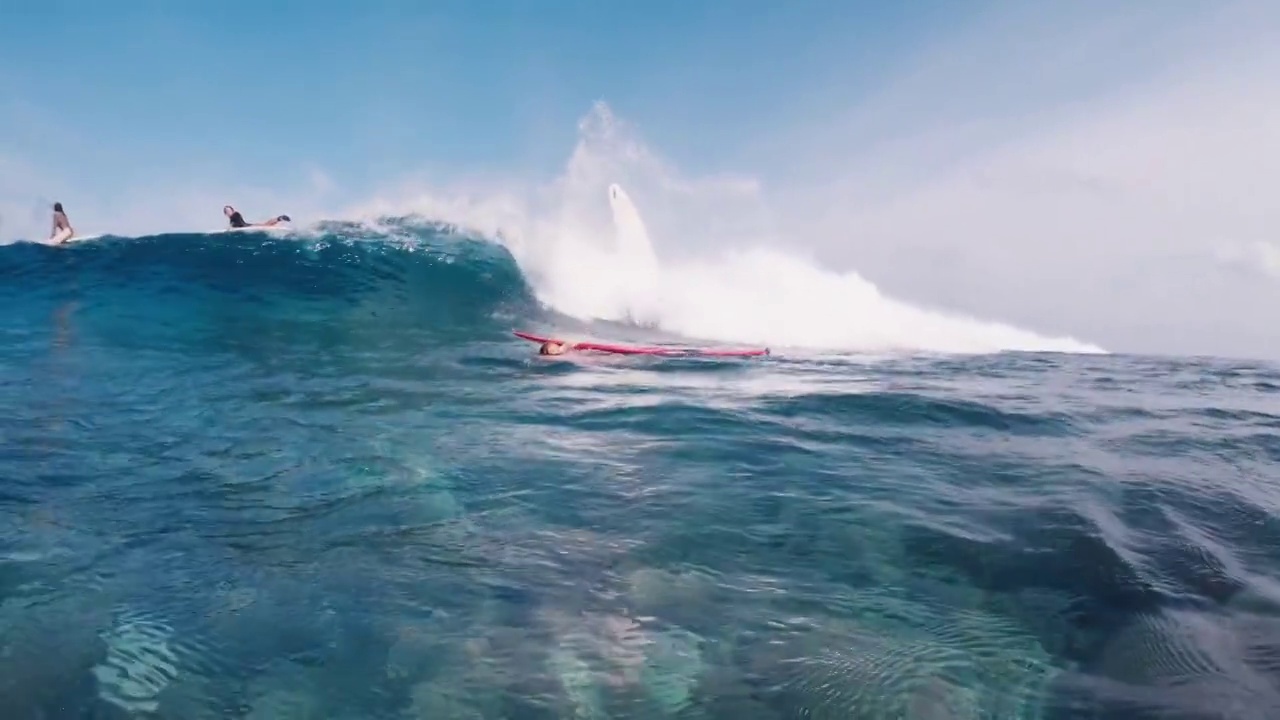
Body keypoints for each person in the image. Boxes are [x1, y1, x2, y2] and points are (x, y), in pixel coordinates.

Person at [223, 205, 291, 229]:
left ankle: (280, 218)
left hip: (249, 227)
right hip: (248, 225)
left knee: (266, 225)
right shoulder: (233, 218)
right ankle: (279, 219)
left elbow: (238, 224)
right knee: (266, 224)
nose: (228, 212)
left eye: (229, 210)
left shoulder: (235, 215)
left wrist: (231, 228)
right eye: (227, 211)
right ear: (225, 214)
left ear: (233, 211)